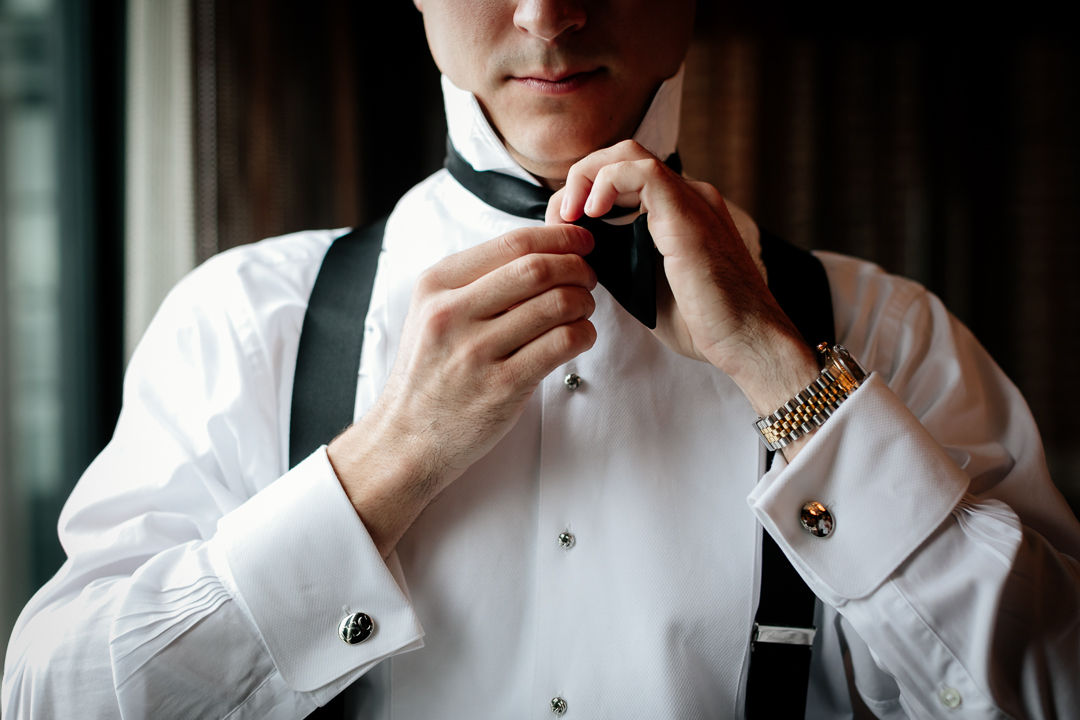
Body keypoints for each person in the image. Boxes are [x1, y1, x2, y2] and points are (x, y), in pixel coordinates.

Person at [4, 0, 1080, 717]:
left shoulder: (888, 332)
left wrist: (786, 377)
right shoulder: (245, 323)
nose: (549, 15)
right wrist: (385, 465)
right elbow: (53, 698)